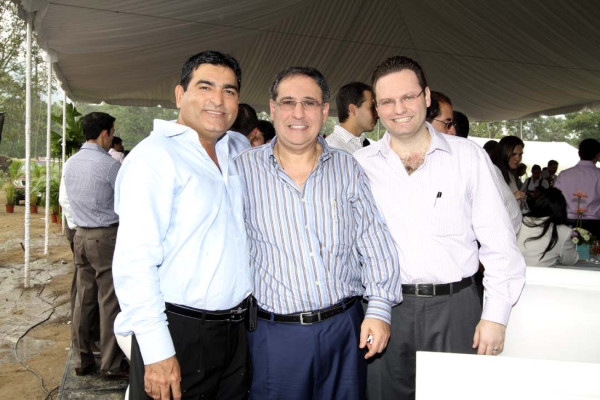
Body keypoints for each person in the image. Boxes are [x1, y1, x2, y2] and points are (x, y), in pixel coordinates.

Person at [354, 56, 526, 400]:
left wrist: (496, 316)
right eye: (387, 101)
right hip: (385, 310)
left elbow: (499, 242)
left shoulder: (468, 156)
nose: (399, 109)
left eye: (408, 97)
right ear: (377, 108)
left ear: (427, 96)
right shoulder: (359, 165)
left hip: (456, 308)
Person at [234, 66, 402, 400]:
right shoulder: (241, 170)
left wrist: (380, 310)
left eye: (309, 103)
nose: (298, 113)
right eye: (288, 102)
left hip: (345, 331)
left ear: (324, 111)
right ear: (273, 108)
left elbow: (375, 241)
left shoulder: (347, 167)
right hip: (274, 336)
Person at [112, 51, 252, 400]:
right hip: (179, 331)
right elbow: (134, 262)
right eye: (205, 87)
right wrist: (157, 351)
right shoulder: (153, 157)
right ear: (180, 95)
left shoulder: (238, 149)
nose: (218, 100)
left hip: (237, 332)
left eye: (229, 91)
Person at [62, 112, 126, 379]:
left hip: (80, 235)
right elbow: (126, 201)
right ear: (104, 134)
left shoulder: (70, 162)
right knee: (109, 300)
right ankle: (110, 364)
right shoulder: (110, 166)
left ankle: (81, 359)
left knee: (83, 299)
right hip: (105, 236)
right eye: (111, 132)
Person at [517, 188, 578, 267]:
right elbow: (570, 260)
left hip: (515, 271)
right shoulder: (563, 231)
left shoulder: (521, 221)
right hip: (542, 274)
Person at [554, 138, 600, 237]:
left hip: (567, 223)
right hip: (594, 224)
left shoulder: (564, 174)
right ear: (597, 155)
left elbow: (555, 199)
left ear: (579, 153)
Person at [325, 81, 377, 153]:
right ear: (353, 109)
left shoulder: (366, 144)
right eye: (372, 108)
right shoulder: (331, 149)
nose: (377, 115)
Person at [492, 136, 527, 208]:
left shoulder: (510, 174)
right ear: (504, 153)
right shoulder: (494, 174)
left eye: (520, 154)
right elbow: (490, 203)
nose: (518, 158)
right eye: (513, 154)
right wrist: (513, 197)